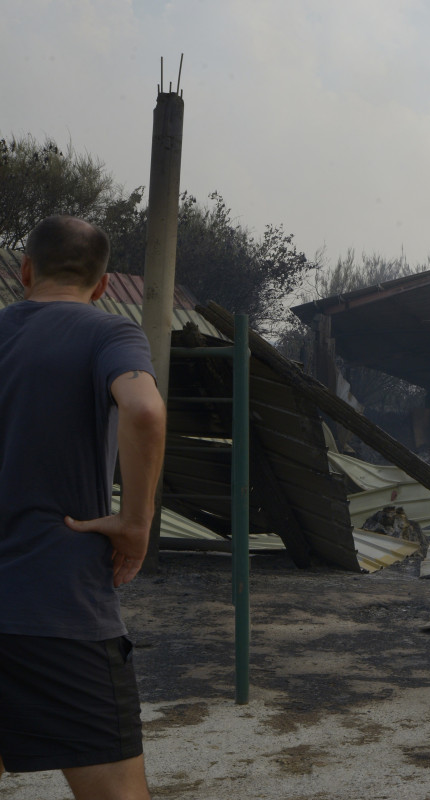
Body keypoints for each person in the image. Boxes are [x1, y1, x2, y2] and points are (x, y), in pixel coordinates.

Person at [0, 216, 166, 799]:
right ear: (100, 287)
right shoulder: (108, 334)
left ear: (25, 272)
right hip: (60, 609)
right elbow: (144, 412)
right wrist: (135, 524)